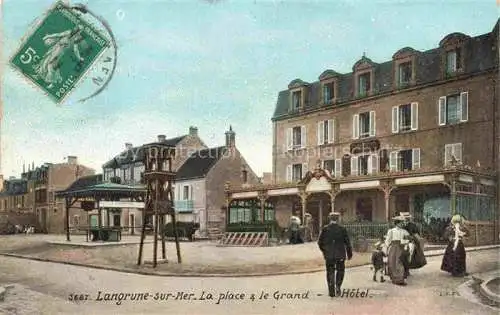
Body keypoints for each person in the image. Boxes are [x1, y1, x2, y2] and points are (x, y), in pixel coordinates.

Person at [317, 212, 353, 297]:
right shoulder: (342, 229)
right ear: (338, 219)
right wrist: (349, 254)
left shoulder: (325, 229)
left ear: (330, 219)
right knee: (340, 271)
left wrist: (325, 251)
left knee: (330, 272)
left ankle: (331, 291)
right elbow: (347, 243)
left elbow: (319, 242)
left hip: (329, 255)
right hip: (340, 254)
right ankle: (338, 286)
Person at [385, 216, 410, 285]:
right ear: (397, 223)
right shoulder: (391, 231)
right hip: (393, 247)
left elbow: (408, 239)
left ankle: (400, 279)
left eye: (402, 223)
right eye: (400, 223)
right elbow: (388, 240)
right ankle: (395, 278)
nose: (401, 224)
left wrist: (405, 243)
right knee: (392, 262)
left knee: (400, 262)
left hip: (401, 247)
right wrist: (386, 248)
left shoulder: (404, 231)